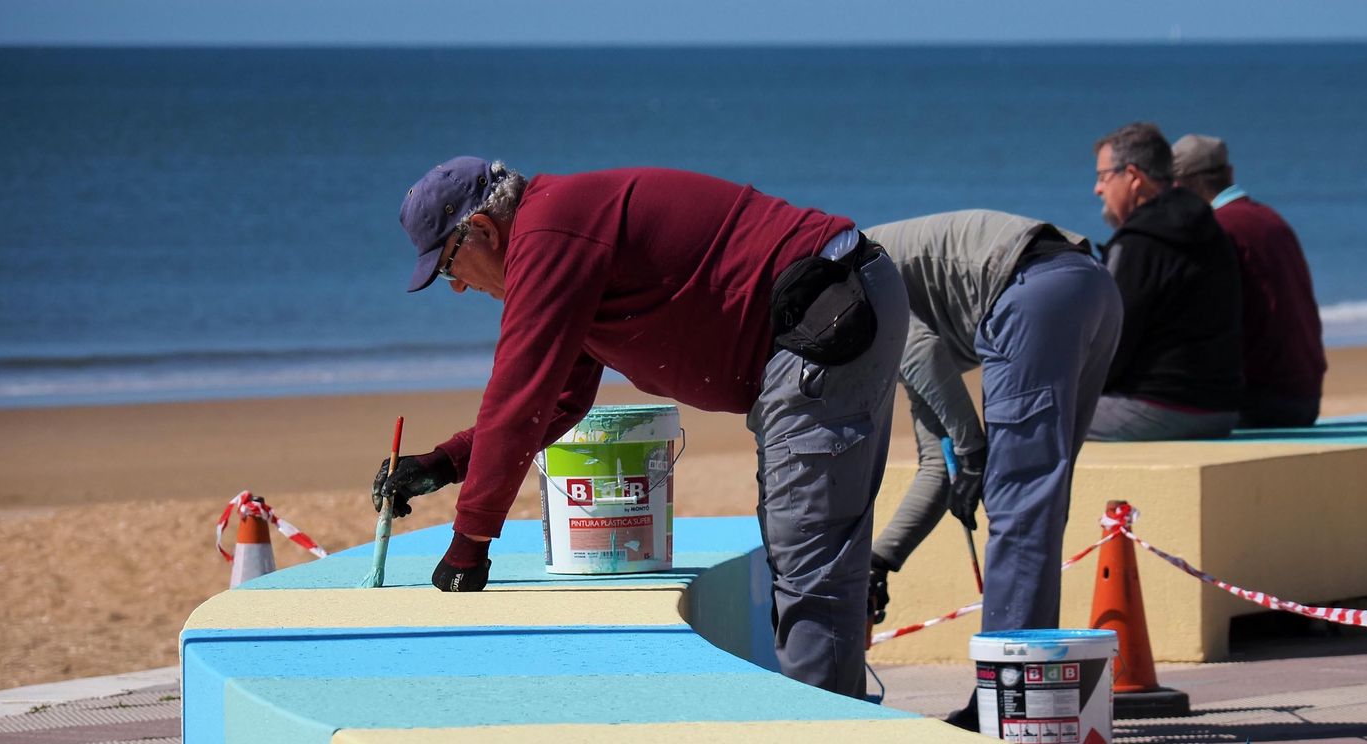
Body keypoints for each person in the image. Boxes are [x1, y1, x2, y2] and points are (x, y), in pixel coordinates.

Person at [376, 157, 909, 699]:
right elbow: (557, 401)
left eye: (447, 268)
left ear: (484, 230)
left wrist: (469, 545)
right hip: (831, 298)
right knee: (807, 560)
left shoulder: (548, 235)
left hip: (822, 308)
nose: (458, 289)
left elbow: (517, 401)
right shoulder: (563, 236)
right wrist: (442, 463)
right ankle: (834, 730)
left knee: (809, 568)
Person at [864, 211, 1122, 685]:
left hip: (1030, 292)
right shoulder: (882, 285)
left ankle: (1007, 693)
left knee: (1019, 506)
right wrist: (879, 562)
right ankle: (1038, 681)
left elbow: (921, 353)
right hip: (1092, 287)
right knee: (1037, 506)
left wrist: (975, 454)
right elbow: (938, 469)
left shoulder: (842, 283)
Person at [1088, 122, 1243, 441]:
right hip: (1221, 408)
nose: (1098, 189)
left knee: (1028, 423)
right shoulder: (1208, 227)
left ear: (1132, 176)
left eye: (1103, 177)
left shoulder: (1137, 243)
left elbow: (1111, 347)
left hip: (1157, 407)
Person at [1172, 133, 1327, 428]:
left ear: (1178, 186)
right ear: (1229, 173)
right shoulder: (1271, 219)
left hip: (1260, 398)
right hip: (1304, 392)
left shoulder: (1214, 229)